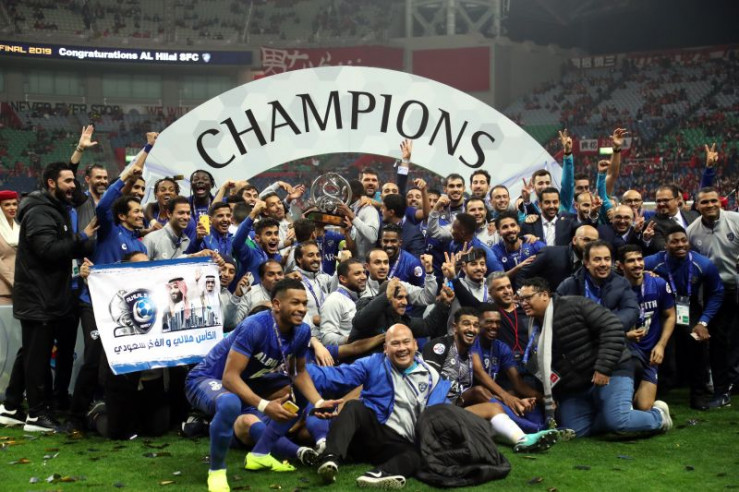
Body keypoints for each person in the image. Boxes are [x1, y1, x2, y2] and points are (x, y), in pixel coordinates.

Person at [186, 278, 339, 491]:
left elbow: (298, 373)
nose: (302, 309)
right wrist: (265, 406)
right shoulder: (255, 326)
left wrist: (319, 402)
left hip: (250, 380)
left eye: (304, 303)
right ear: (276, 304)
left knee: (299, 393)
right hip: (208, 378)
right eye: (295, 303)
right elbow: (230, 378)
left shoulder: (302, 331)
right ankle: (217, 471)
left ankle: (260, 453)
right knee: (230, 403)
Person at [517, 277, 671, 437]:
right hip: (576, 386)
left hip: (611, 371)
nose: (524, 303)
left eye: (528, 298)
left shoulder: (574, 304)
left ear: (544, 295)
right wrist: (553, 395)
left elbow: (612, 327)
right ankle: (610, 415)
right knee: (575, 430)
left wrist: (603, 368)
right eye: (521, 299)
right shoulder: (533, 327)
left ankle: (658, 417)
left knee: (618, 421)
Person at [11, 162, 97, 431]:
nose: (73, 186)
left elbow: (62, 246)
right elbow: (47, 250)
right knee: (37, 357)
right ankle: (37, 414)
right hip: (39, 296)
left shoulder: (54, 208)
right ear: (51, 183)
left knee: (32, 353)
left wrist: (83, 242)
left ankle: (13, 405)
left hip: (49, 295)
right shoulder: (39, 212)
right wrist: (81, 236)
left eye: (74, 181)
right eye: (68, 181)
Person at [316, 324, 450, 488]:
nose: (402, 348)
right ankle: (330, 458)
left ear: (415, 344)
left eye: (406, 342)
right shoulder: (374, 363)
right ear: (385, 348)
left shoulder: (431, 376)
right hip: (370, 432)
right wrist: (305, 372)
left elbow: (440, 412)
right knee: (353, 407)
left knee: (417, 455)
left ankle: (379, 474)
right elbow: (338, 375)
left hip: (398, 443)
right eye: (395, 343)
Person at [645, 225, 725, 409]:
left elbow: (717, 292)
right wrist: (643, 275)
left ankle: (698, 395)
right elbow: (628, 272)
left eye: (683, 240)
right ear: (666, 245)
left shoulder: (703, 264)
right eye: (674, 242)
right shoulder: (652, 262)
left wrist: (704, 321)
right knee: (658, 346)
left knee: (698, 342)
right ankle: (657, 392)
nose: (680, 245)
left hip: (689, 308)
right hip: (662, 309)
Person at [688, 186, 739, 408]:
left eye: (713, 201)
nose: (710, 205)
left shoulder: (736, 221)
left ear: (720, 202)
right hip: (715, 293)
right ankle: (721, 390)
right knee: (719, 342)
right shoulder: (692, 231)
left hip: (737, 285)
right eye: (705, 202)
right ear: (697, 206)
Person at [617, 245, 676, 410]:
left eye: (639, 259)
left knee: (644, 406)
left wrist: (661, 345)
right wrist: (625, 335)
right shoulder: (614, 289)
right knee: (623, 405)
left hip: (650, 352)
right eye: (631, 261)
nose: (637, 264)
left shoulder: (658, 283)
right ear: (620, 265)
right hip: (626, 351)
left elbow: (671, 315)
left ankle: (656, 412)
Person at [557, 240, 640, 331]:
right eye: (597, 259)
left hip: (610, 335)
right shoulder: (569, 285)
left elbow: (631, 309)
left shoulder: (621, 283)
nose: (603, 264)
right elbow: (557, 315)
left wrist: (608, 325)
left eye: (607, 259)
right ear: (586, 263)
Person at [517, 224, 599, 291]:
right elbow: (522, 274)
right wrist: (522, 297)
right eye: (586, 240)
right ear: (574, 240)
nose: (590, 244)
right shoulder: (550, 253)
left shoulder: (594, 265)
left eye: (594, 242)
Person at [361, 248, 437, 306]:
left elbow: (427, 298)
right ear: (367, 266)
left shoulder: (399, 286)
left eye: (386, 262)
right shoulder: (360, 288)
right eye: (377, 263)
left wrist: (429, 272)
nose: (383, 267)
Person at [318, 259, 366, 346]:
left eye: (364, 272)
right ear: (343, 279)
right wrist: (351, 339)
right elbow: (326, 338)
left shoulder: (362, 297)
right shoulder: (334, 300)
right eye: (357, 274)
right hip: (348, 352)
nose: (364, 277)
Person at [232, 201, 282, 283]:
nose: (274, 238)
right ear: (257, 238)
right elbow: (237, 243)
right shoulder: (251, 255)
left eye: (276, 233)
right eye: (268, 234)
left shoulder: (276, 258)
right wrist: (253, 213)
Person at [642, 184, 699, 254]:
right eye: (658, 201)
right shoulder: (652, 224)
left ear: (677, 200)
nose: (661, 204)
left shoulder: (694, 215)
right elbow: (662, 247)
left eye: (665, 200)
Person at [491, 211, 545, 279]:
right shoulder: (495, 252)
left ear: (519, 228)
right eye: (505, 227)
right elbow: (498, 278)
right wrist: (519, 267)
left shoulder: (533, 244)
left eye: (513, 225)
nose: (510, 230)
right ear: (499, 232)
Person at [142, 196, 193, 260]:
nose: (186, 217)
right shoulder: (151, 240)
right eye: (181, 213)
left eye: (188, 213)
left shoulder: (187, 241)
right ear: (169, 214)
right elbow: (140, 265)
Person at [0, 190, 19, 304]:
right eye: (7, 205)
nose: (12, 208)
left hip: (22, 289)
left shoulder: (20, 229)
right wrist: (13, 280)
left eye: (14, 204)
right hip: (3, 291)